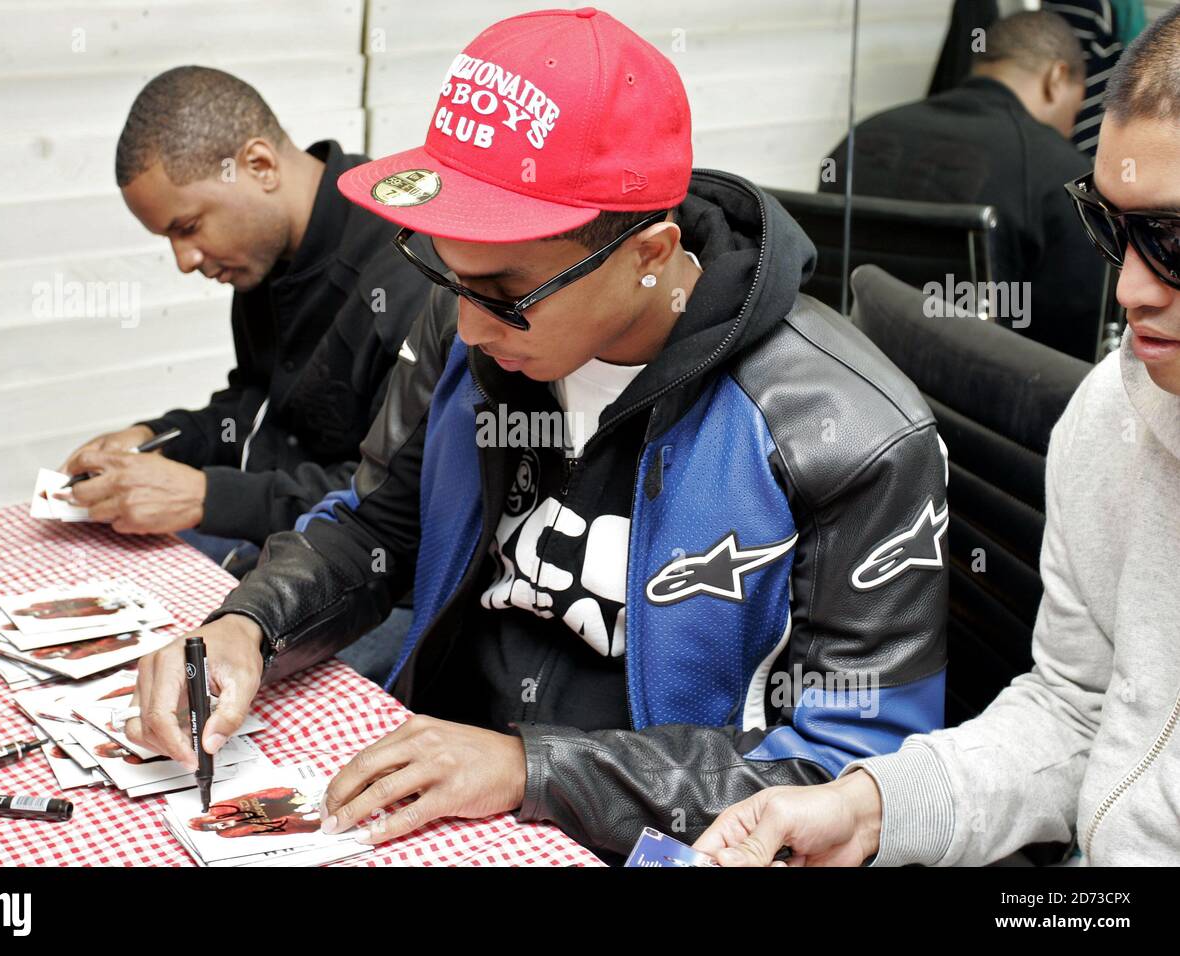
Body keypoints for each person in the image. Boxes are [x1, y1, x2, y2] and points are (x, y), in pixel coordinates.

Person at [127, 7, 949, 859]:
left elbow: (852, 775)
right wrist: (246, 627)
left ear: (649, 254)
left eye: (503, 293)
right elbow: (375, 528)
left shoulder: (846, 430)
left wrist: (534, 770)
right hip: (446, 780)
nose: (469, 328)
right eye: (444, 272)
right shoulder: (468, 328)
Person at [695, 8, 1180, 868]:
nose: (1133, 288)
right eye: (1114, 230)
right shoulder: (1111, 416)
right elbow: (1075, 709)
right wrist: (869, 809)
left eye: (1174, 241)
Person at [60, 66, 436, 580]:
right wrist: (158, 437)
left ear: (259, 165)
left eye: (188, 227)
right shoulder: (265, 256)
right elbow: (261, 409)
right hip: (278, 540)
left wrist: (206, 497)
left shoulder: (412, 271)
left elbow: (394, 501)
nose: (184, 261)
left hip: (381, 579)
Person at [821, 11, 1104, 360]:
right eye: (1076, 111)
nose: (1070, 129)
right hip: (971, 404)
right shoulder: (1063, 175)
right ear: (1057, 78)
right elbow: (1078, 344)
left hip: (849, 378)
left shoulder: (859, 138)